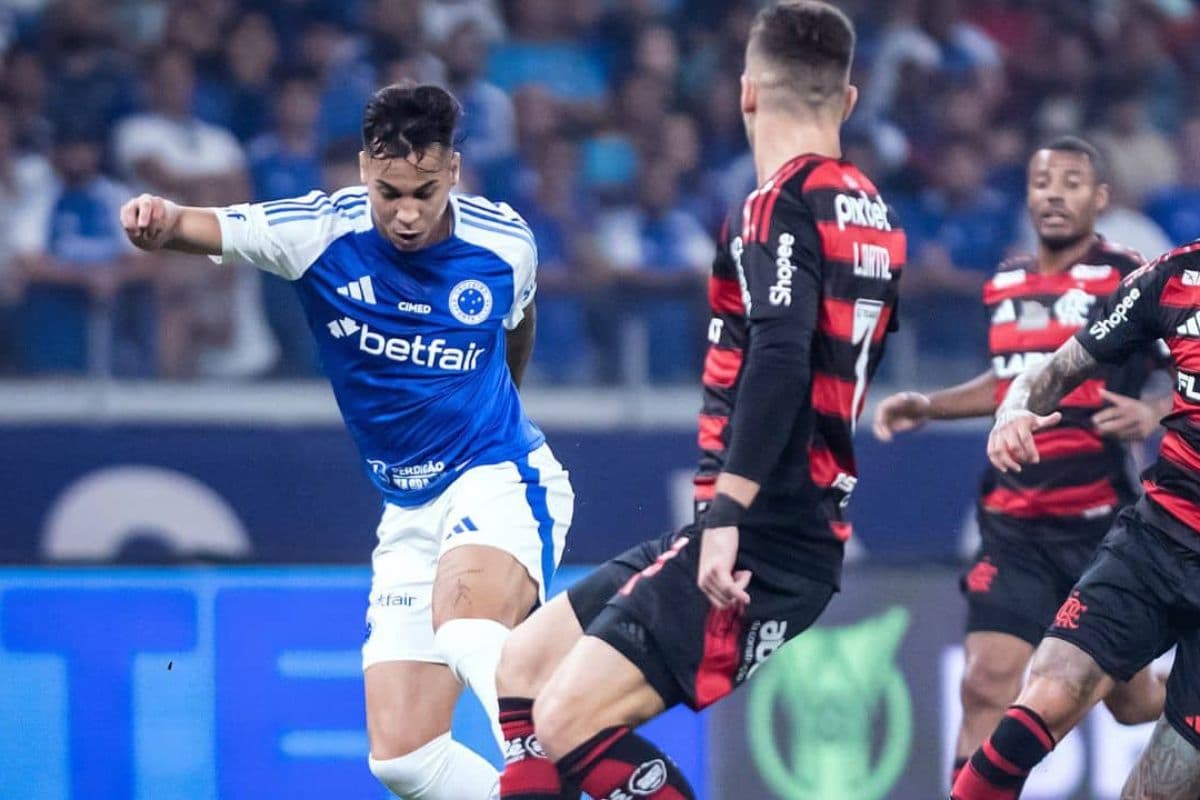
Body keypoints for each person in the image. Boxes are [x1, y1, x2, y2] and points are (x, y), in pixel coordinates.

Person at [119, 82, 574, 800]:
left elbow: (515, 325)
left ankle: (575, 750)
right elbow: (205, 226)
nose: (407, 212)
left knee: (465, 631)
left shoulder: (505, 241)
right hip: (406, 508)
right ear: (363, 168)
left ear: (453, 171)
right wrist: (156, 219)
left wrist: (501, 407)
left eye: (425, 190)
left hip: (498, 476)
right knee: (405, 761)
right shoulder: (317, 234)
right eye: (390, 190)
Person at [493, 4, 903, 798]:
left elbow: (782, 359)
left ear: (747, 93)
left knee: (569, 718)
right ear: (847, 101)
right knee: (523, 665)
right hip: (779, 520)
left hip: (765, 529)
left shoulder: (773, 204)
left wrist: (728, 514)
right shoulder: (877, 216)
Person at [874, 136, 1168, 789]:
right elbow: (1008, 383)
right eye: (1042, 182)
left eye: (1070, 182)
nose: (1054, 195)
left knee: (1128, 705)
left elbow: (1187, 367)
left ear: (1099, 199)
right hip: (1013, 524)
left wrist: (1153, 410)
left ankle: (1177, 691)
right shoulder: (1004, 283)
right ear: (1027, 195)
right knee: (985, 686)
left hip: (1102, 526)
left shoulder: (1131, 277)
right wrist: (929, 405)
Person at [951, 236, 1200, 800]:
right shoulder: (1174, 279)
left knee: (1160, 788)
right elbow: (1056, 368)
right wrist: (1015, 410)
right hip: (1157, 540)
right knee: (1053, 687)